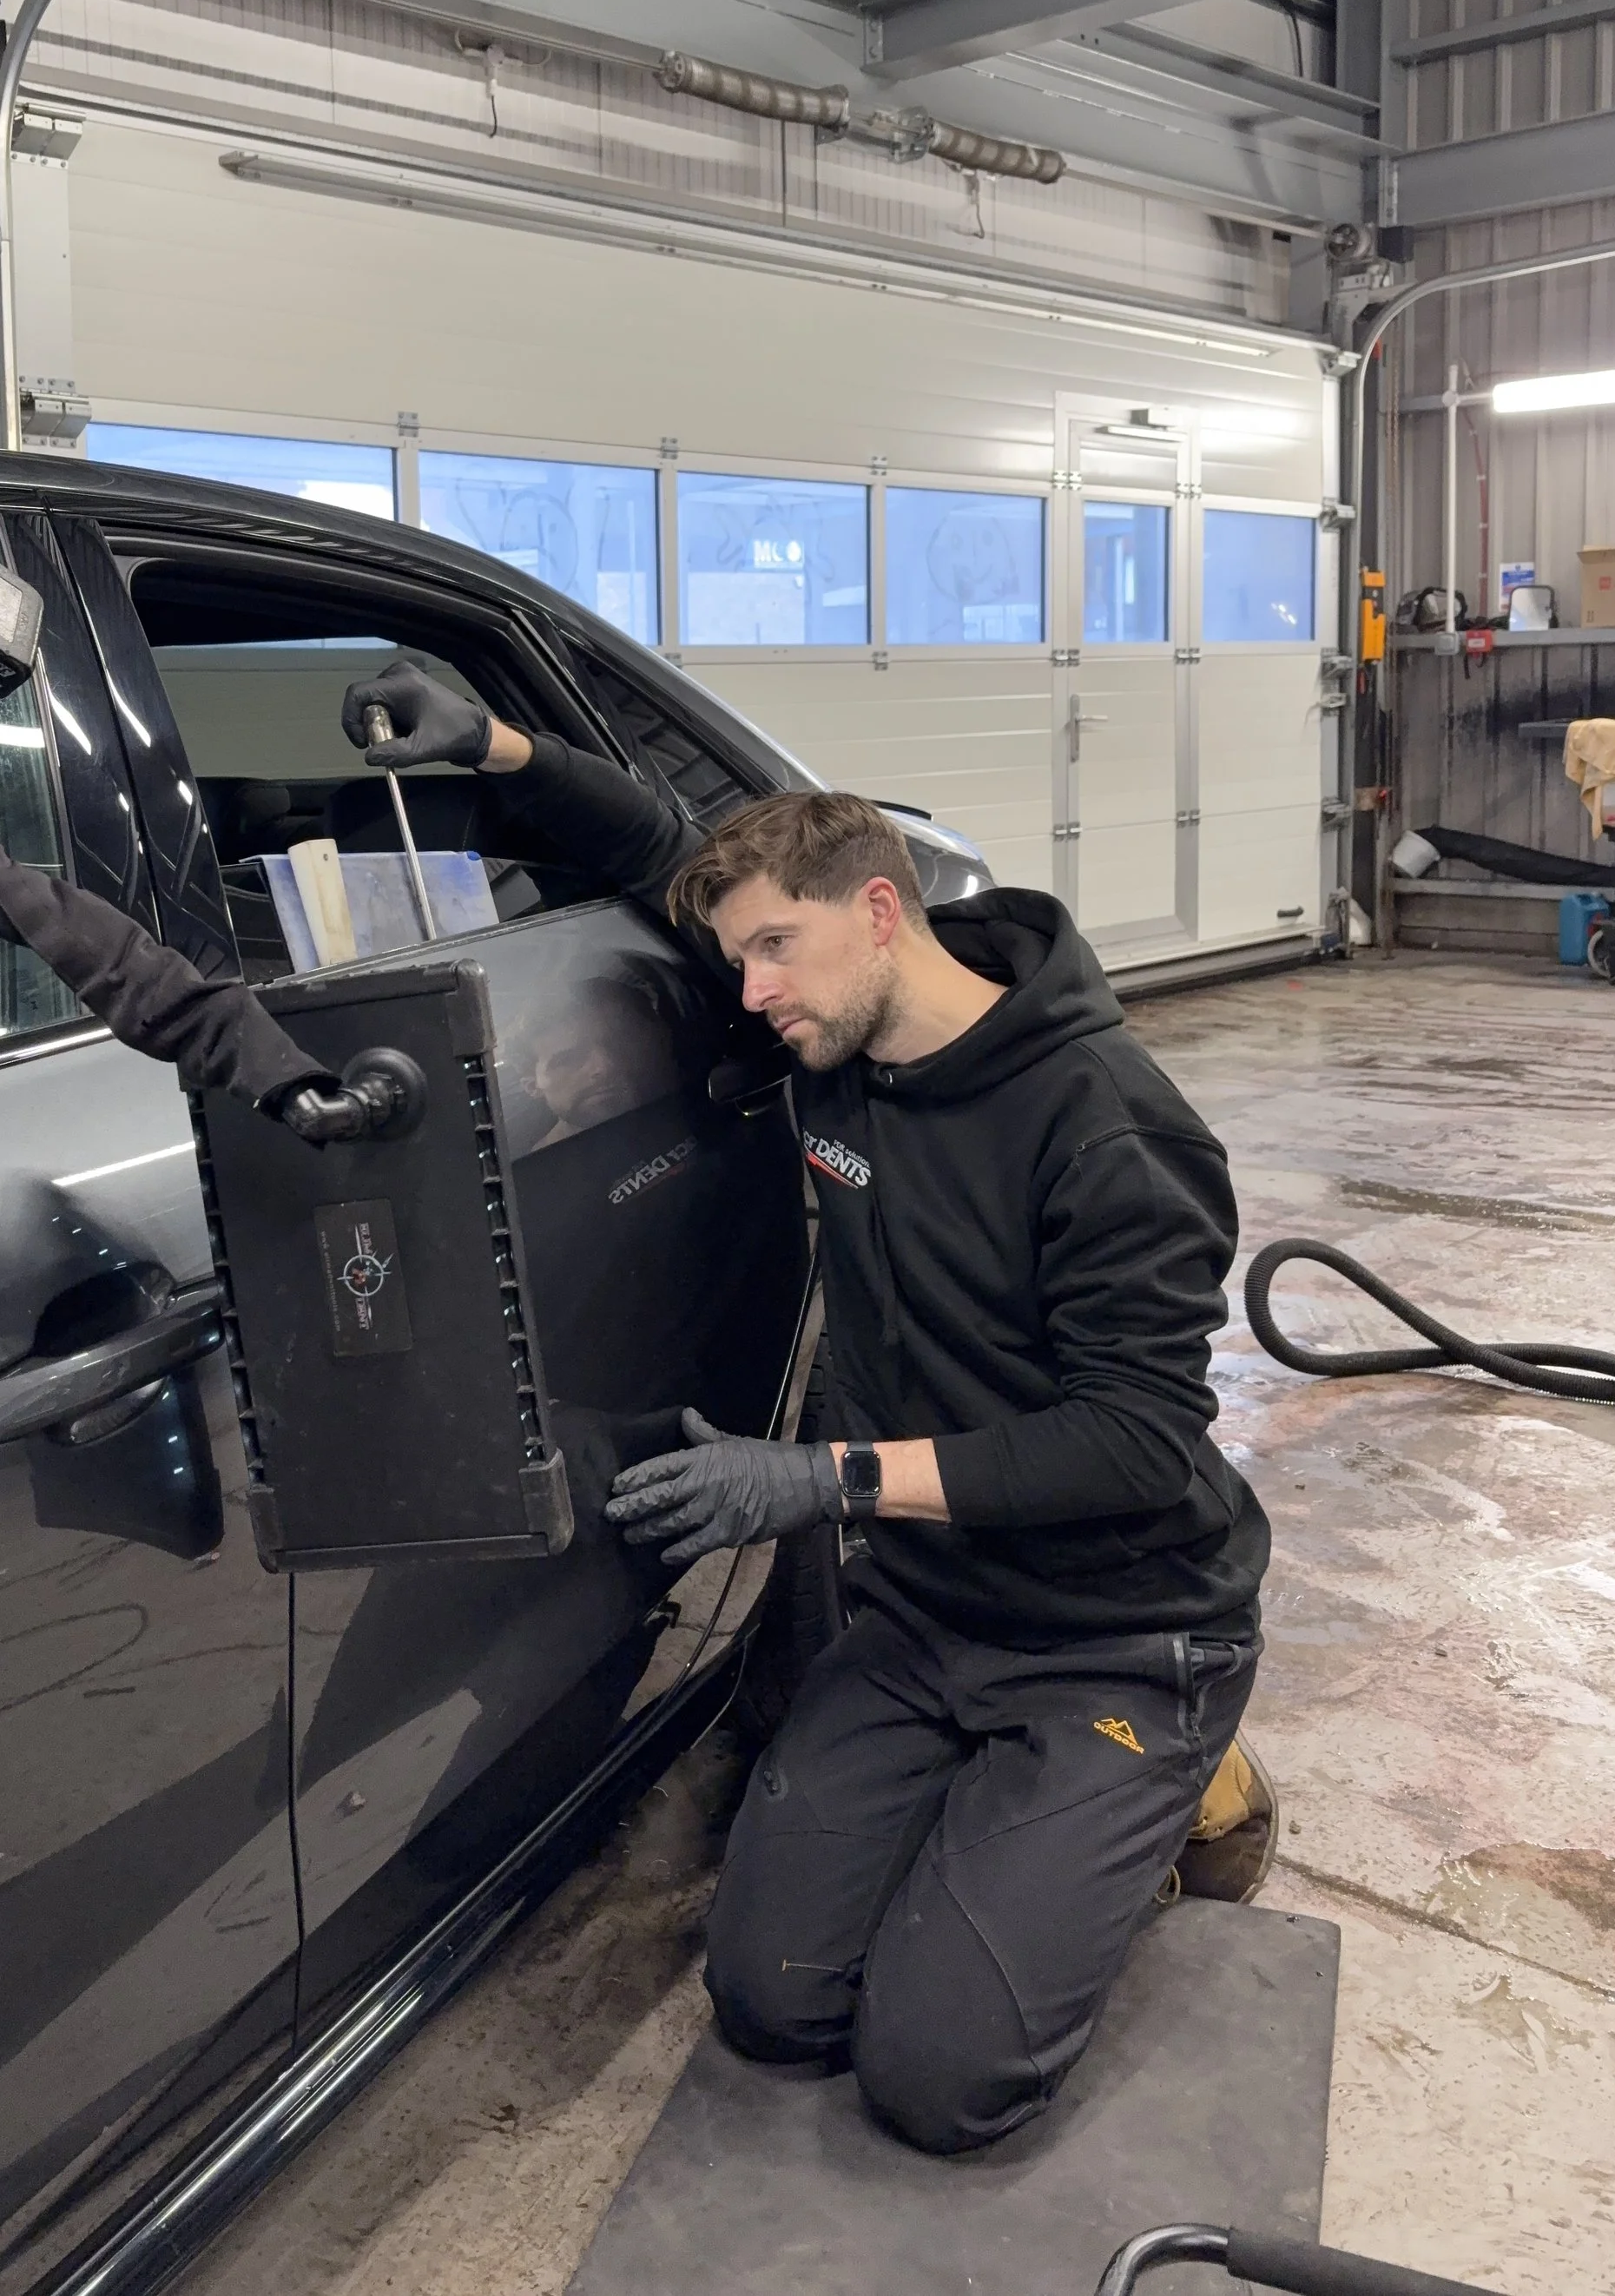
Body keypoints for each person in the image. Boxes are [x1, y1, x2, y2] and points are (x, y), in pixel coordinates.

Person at [341, 663, 1275, 2156]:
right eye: (742, 958)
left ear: (883, 911)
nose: (751, 989)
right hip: (922, 1620)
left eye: (777, 949)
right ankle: (1008, 1834)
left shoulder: (1110, 1131)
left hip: (1115, 1627)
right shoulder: (834, 1038)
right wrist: (509, 752)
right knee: (775, 2003)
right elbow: (670, 851)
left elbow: (1136, 1442)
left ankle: (1187, 1788)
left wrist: (820, 1482)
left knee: (942, 2082)